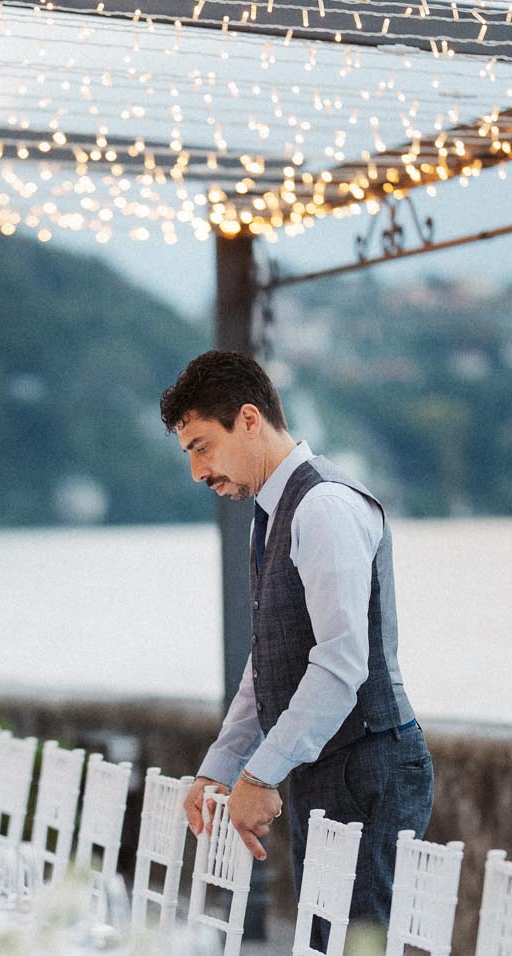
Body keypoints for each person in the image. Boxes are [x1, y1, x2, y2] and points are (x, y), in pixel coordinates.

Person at [162, 349, 433, 923]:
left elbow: (339, 664)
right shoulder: (271, 511)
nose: (198, 472)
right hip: (328, 766)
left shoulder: (325, 506)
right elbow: (270, 662)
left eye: (202, 446)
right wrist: (221, 767)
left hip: (370, 767)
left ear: (250, 419)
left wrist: (259, 773)